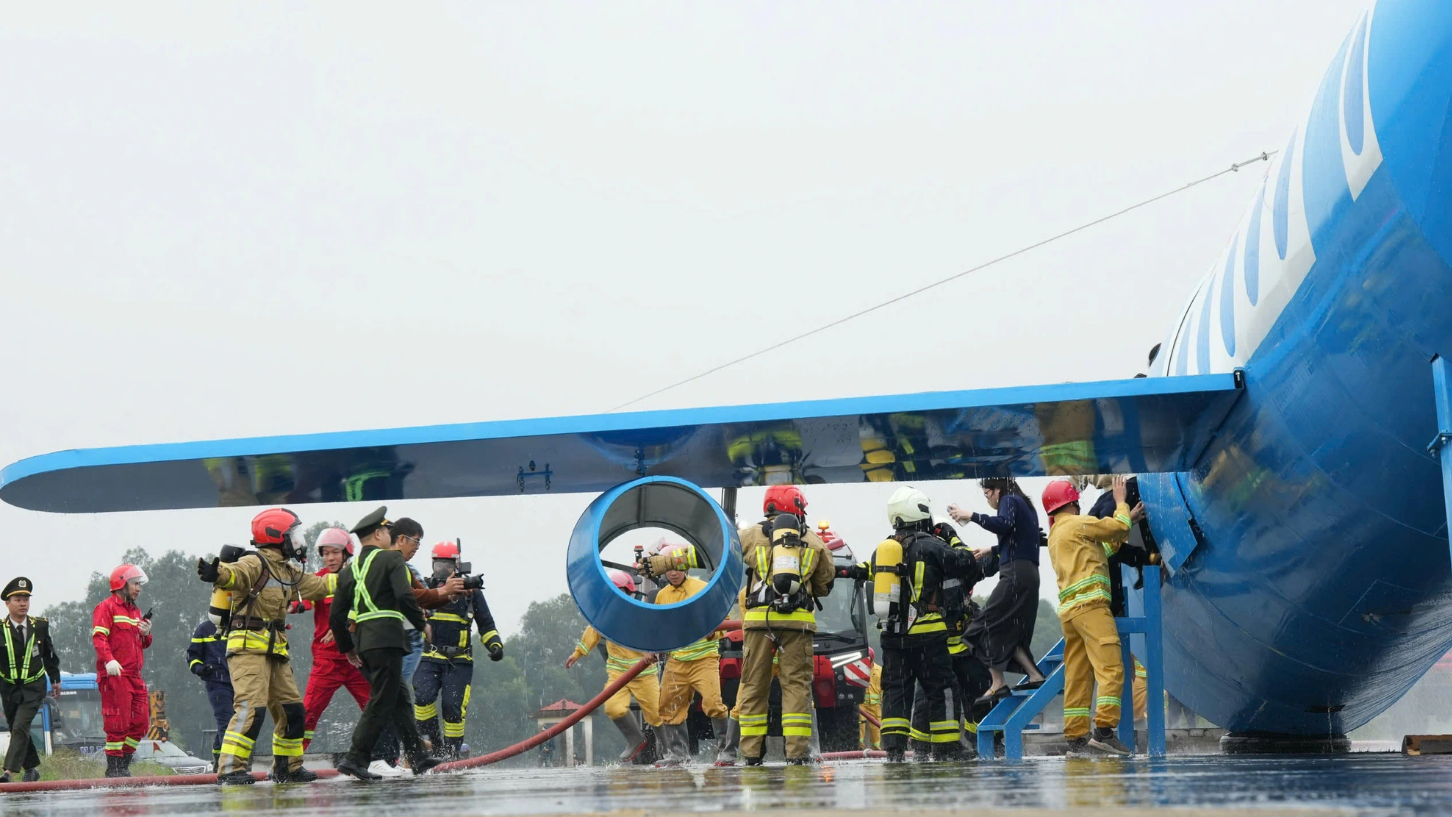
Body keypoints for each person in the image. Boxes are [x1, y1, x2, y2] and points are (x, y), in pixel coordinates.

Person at [195, 508, 333, 784]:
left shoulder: (286, 570)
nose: (298, 541)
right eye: (293, 535)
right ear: (276, 536)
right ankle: (231, 769)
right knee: (250, 709)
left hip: (276, 651)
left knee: (292, 711)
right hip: (247, 650)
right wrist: (217, 572)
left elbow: (317, 586)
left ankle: (288, 768)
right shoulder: (254, 562)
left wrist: (358, 577)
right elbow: (235, 574)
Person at [846, 487, 981, 762]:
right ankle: (946, 748)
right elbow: (965, 562)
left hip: (893, 637)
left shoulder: (885, 550)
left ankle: (894, 751)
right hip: (928, 636)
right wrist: (952, 536)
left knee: (896, 692)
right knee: (941, 688)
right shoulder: (931, 545)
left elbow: (862, 570)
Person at [329, 506, 441, 780]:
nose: (390, 536)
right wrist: (421, 623)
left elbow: (336, 616)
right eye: (388, 532)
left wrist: (348, 648)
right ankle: (355, 758)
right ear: (378, 534)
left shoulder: (349, 569)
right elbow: (404, 596)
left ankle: (417, 756)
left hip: (364, 642)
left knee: (399, 697)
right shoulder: (392, 561)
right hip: (388, 640)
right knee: (381, 699)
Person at [732, 486, 835, 766]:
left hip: (758, 623)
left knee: (753, 686)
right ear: (797, 506)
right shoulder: (812, 540)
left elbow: (722, 557)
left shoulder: (750, 535)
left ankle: (751, 754)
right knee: (796, 688)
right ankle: (797, 754)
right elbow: (825, 585)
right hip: (797, 624)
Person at [1041, 476, 1144, 756]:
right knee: (1110, 668)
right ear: (1072, 503)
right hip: (1093, 608)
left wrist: (1129, 520)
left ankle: (1076, 739)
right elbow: (1116, 527)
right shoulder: (1078, 523)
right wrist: (1122, 504)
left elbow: (1101, 550)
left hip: (1070, 615)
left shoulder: (1057, 535)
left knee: (1078, 674)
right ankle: (1104, 732)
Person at [370, 519, 463, 775]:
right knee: (387, 701)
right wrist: (442, 592)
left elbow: (422, 595)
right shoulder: (386, 564)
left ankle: (402, 756)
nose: (417, 548)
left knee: (395, 700)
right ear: (400, 539)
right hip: (382, 641)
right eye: (416, 542)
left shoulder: (403, 566)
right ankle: (377, 757)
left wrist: (448, 594)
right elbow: (409, 595)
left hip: (398, 643)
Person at [948, 477, 1047, 705]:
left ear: (996, 490)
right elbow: (1018, 537)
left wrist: (970, 516)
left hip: (1015, 575)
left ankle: (998, 683)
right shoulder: (1025, 504)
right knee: (1007, 628)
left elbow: (1003, 524)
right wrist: (991, 549)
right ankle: (1034, 675)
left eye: (987, 494)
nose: (988, 500)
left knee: (981, 626)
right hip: (1027, 574)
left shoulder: (1009, 499)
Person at [906, 518, 992, 758]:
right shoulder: (944, 561)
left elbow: (987, 561)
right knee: (934, 701)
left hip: (953, 649)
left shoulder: (944, 562)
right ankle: (927, 749)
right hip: (943, 649)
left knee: (973, 699)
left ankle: (984, 744)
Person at [639, 542, 732, 766]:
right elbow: (658, 629)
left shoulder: (702, 589)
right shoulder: (661, 596)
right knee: (668, 707)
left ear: (686, 567)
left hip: (704, 659)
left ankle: (726, 752)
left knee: (713, 704)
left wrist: (713, 630)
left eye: (677, 568)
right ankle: (678, 755)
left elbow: (726, 622)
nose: (673, 573)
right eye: (668, 568)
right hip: (677, 661)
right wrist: (651, 649)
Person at [414, 540, 504, 760]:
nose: (442, 570)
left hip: (460, 660)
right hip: (428, 657)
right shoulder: (425, 589)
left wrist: (495, 645)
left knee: (452, 706)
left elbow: (486, 624)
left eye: (447, 565)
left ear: (457, 565)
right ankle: (433, 746)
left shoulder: (471, 592)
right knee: (423, 698)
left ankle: (452, 753)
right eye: (438, 565)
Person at [566, 570, 660, 764]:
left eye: (622, 592)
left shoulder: (641, 613)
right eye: (613, 592)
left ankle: (671, 752)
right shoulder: (604, 615)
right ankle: (635, 739)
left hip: (644, 672)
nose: (618, 597)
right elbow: (592, 633)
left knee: (657, 714)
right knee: (613, 708)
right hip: (618, 672)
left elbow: (653, 635)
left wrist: (651, 650)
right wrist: (578, 653)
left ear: (630, 593)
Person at [297, 528, 371, 752]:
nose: (330, 558)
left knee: (375, 708)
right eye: (325, 553)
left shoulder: (361, 578)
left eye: (335, 553)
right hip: (326, 660)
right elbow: (300, 603)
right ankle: (290, 760)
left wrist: (346, 624)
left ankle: (386, 760)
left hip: (358, 659)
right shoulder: (318, 580)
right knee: (308, 712)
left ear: (347, 553)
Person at [92, 564, 152, 777]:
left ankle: (124, 764)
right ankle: (114, 768)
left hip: (135, 676)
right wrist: (108, 660)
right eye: (135, 584)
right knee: (118, 722)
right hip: (115, 674)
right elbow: (99, 637)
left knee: (141, 723)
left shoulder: (134, 610)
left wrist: (146, 633)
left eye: (139, 584)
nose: (139, 589)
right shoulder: (106, 608)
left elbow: (141, 644)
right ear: (122, 584)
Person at [1, 578, 60, 783]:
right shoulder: (1, 629)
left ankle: (8, 772)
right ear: (7, 603)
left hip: (34, 686)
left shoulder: (40, 626)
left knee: (20, 726)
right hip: (9, 688)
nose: (23, 603)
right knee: (17, 727)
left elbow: (49, 654)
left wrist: (55, 679)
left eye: (26, 599)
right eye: (18, 599)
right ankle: (31, 769)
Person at [186, 617, 233, 770]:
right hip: (217, 683)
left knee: (237, 723)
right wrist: (200, 669)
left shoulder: (238, 625)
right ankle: (229, 765)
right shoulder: (204, 629)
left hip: (240, 681)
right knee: (226, 723)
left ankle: (219, 758)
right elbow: (192, 656)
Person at [859, 648, 882, 751]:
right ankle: (859, 746)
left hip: (875, 705)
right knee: (860, 723)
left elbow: (884, 687)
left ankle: (876, 747)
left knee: (876, 727)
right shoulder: (858, 668)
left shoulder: (880, 670)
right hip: (861, 704)